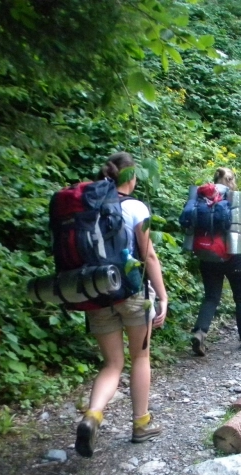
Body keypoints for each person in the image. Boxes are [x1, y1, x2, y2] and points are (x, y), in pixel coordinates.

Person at [75, 152, 168, 458]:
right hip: (131, 293)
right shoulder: (136, 207)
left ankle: (92, 416)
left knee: (112, 364)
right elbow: (148, 255)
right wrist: (163, 295)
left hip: (98, 292)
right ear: (131, 177)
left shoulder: (90, 205)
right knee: (140, 358)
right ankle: (141, 423)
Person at [191, 168, 241, 355]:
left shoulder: (201, 197)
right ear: (231, 180)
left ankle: (200, 332)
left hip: (207, 253)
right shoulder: (236, 200)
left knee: (211, 296)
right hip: (233, 254)